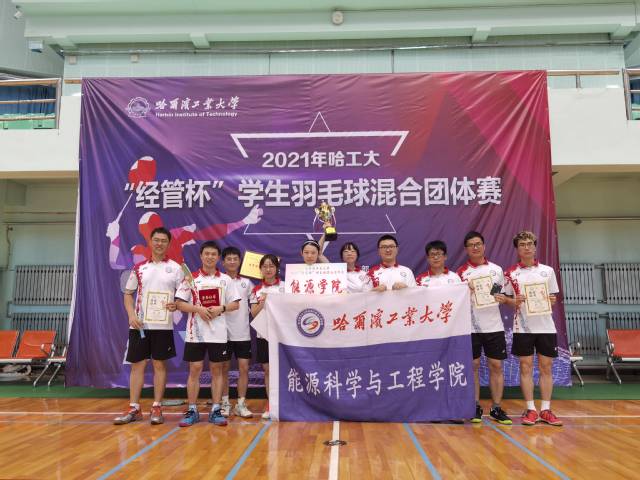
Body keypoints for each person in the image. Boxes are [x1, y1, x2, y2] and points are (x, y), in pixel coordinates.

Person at [114, 227, 184, 425]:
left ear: (168, 244)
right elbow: (128, 294)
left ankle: (157, 407)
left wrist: (177, 304)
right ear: (150, 242)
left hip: (163, 326)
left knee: (159, 365)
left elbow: (184, 294)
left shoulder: (176, 268)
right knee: (138, 366)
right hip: (140, 326)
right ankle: (134, 408)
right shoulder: (139, 268)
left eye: (163, 240)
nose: (159, 243)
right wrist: (131, 315)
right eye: (156, 240)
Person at [174, 241, 241, 427]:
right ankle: (192, 410)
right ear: (201, 256)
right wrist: (198, 309)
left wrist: (221, 308)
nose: (210, 257)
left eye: (213, 254)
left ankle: (216, 410)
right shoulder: (191, 279)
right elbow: (179, 303)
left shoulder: (225, 279)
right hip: (195, 333)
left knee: (217, 370)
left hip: (218, 334)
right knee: (195, 369)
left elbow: (235, 304)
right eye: (207, 254)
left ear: (218, 257)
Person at [504, 230, 562, 426]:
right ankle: (530, 409)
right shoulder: (510, 273)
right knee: (525, 367)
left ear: (535, 247)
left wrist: (552, 300)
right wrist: (513, 301)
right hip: (523, 328)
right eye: (522, 244)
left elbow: (553, 297)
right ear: (517, 249)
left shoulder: (548, 271)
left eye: (530, 244)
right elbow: (504, 298)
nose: (527, 247)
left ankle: (546, 409)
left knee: (546, 367)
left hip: (546, 327)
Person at [456, 231, 512, 425]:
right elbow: (457, 301)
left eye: (478, 243)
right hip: (470, 327)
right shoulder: (461, 273)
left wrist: (501, 298)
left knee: (496, 365)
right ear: (466, 249)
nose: (475, 247)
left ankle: (496, 407)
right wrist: (466, 290)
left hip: (494, 326)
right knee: (473, 366)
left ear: (484, 246)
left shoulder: (496, 270)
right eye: (471, 245)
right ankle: (475, 406)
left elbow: (498, 294)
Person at [219, 246, 254, 418]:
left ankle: (241, 404)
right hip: (222, 333)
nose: (232, 262)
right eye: (229, 259)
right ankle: (225, 402)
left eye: (235, 259)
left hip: (243, 334)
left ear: (240, 261)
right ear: (223, 262)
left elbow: (254, 306)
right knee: (223, 369)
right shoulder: (218, 281)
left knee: (244, 368)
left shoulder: (247, 283)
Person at [249, 254, 284, 420]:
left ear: (277, 268)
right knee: (268, 369)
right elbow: (253, 313)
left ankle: (286, 402)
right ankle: (271, 404)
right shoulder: (256, 290)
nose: (268, 269)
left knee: (284, 369)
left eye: (271, 266)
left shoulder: (286, 287)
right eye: (265, 266)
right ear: (261, 269)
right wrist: (263, 301)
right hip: (263, 335)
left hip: (283, 335)